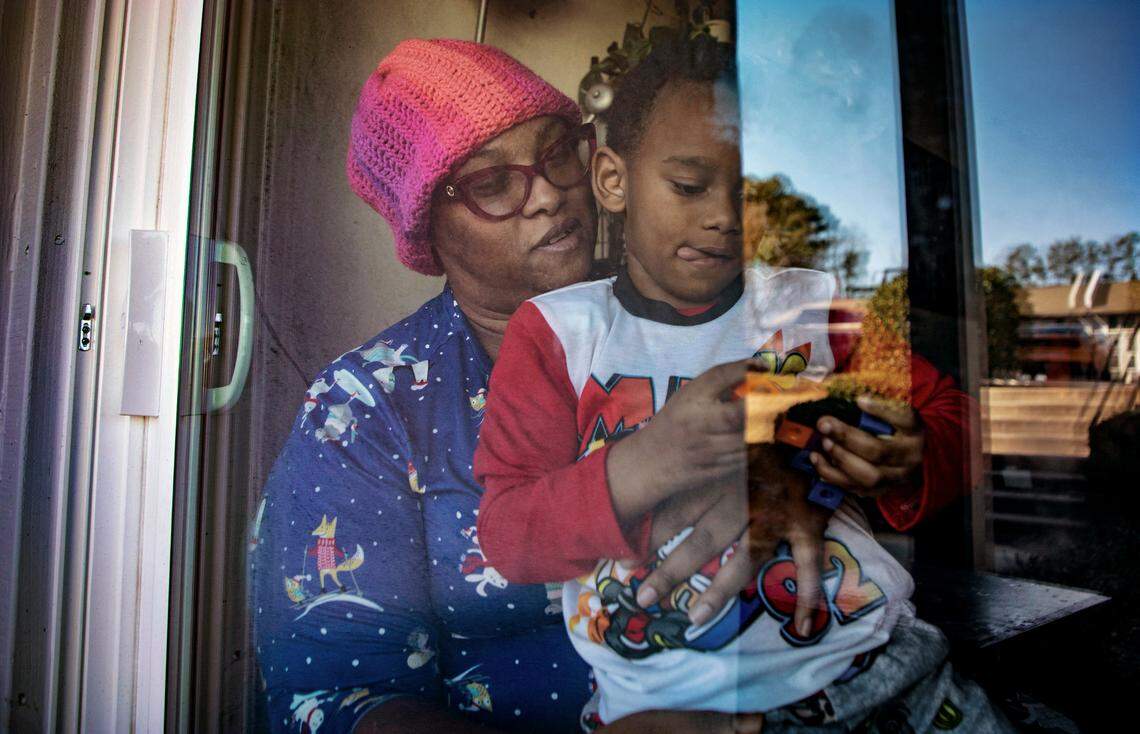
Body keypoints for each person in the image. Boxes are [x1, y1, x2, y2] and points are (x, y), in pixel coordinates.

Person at [251, 39, 856, 734]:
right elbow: (337, 699)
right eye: (493, 183)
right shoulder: (367, 409)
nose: (548, 195)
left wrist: (809, 466)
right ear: (428, 224)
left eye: (557, 153)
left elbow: (878, 428)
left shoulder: (710, 311)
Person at [474, 35, 1012, 732]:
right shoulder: (557, 333)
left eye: (749, 190)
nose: (726, 217)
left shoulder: (812, 309)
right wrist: (646, 462)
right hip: (676, 716)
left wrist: (903, 454)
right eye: (689, 186)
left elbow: (956, 418)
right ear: (612, 180)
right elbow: (508, 531)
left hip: (881, 668)